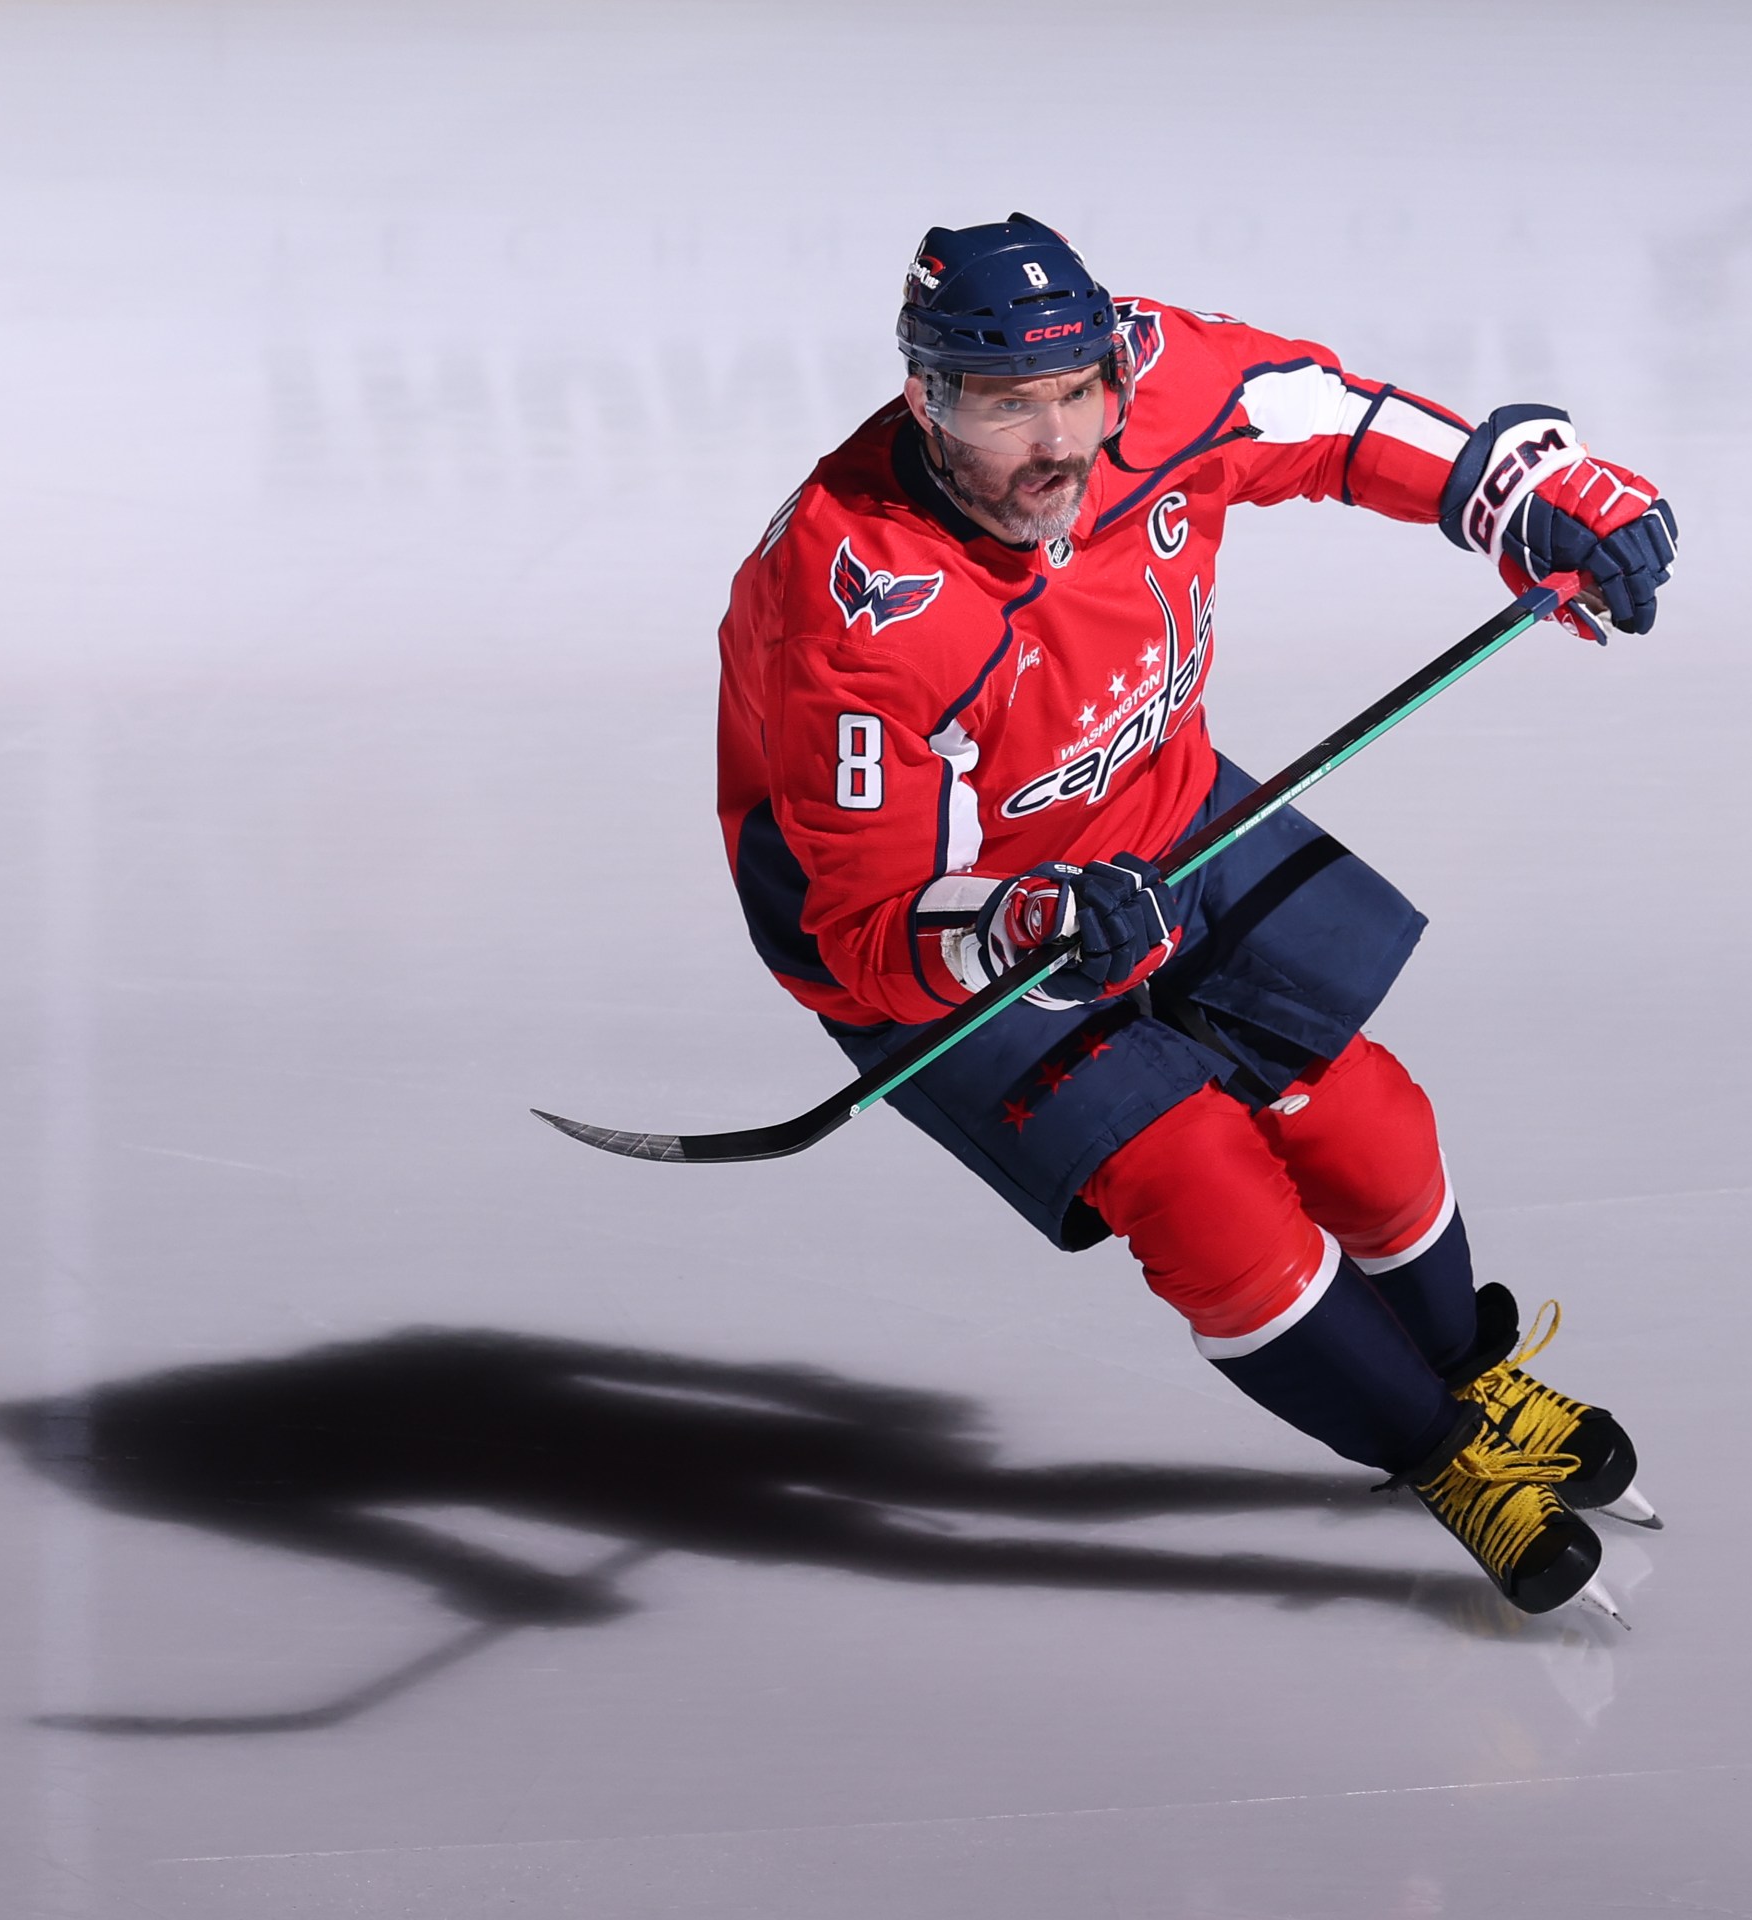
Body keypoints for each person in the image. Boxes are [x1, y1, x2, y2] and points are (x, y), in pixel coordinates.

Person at [713, 214, 1676, 1620]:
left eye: (1076, 393)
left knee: (1366, 1120)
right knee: (1206, 1192)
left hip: (1156, 808)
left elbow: (1329, 421)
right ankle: (1436, 1452)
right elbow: (864, 926)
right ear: (926, 400)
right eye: (1001, 407)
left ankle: (1467, 1375)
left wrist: (1517, 492)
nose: (1053, 442)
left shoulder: (1155, 380)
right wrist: (1023, 920)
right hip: (938, 920)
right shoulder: (853, 599)